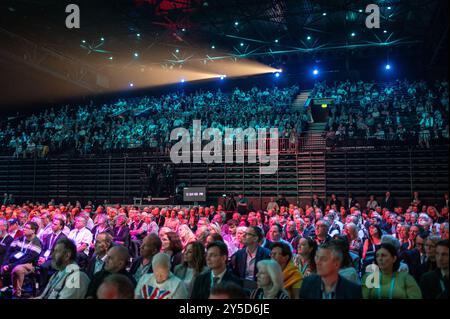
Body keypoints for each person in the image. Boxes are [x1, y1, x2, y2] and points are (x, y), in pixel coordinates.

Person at [1, 221, 42, 298]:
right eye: (24, 227)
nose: (24, 229)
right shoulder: (18, 239)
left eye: (27, 228)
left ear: (33, 231)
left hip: (30, 264)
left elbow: (27, 258)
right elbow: (9, 251)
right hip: (15, 261)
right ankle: (6, 286)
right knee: (3, 265)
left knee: (18, 269)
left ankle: (17, 293)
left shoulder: (37, 242)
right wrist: (5, 263)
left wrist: (11, 265)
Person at [37, 217, 67, 291]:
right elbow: (44, 249)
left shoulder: (63, 238)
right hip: (46, 257)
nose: (52, 225)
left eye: (55, 224)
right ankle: (39, 285)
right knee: (36, 262)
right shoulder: (48, 236)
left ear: (60, 226)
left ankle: (43, 288)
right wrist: (41, 257)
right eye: (52, 223)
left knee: (44, 266)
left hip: (56, 258)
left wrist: (46, 259)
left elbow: (58, 252)